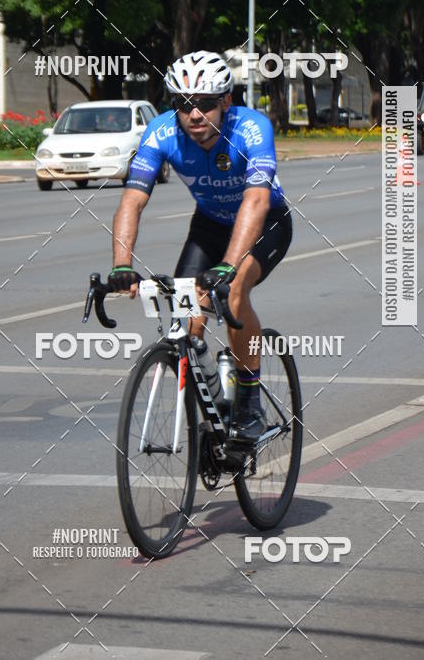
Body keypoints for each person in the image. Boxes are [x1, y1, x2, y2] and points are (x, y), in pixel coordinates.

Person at [109, 51, 292, 441]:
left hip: (264, 222)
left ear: (226, 101)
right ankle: (214, 407)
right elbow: (132, 200)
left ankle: (248, 401)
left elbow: (256, 201)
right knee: (186, 319)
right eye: (183, 104)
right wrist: (121, 264)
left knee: (235, 293)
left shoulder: (252, 128)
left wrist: (228, 264)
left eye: (206, 104)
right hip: (210, 224)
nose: (194, 114)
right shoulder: (160, 133)